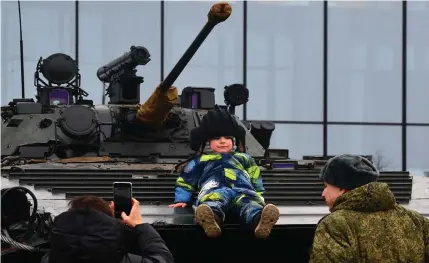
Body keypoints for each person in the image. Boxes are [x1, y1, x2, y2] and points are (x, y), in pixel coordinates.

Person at [169, 108, 279, 239]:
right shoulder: (200, 161)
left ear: (234, 141)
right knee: (213, 203)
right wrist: (182, 199)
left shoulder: (244, 158)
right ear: (207, 142)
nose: (223, 141)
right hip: (215, 189)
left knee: (250, 204)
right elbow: (186, 180)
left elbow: (254, 175)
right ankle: (211, 220)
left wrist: (259, 194)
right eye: (217, 138)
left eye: (227, 138)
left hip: (243, 190)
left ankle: (259, 221)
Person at [309, 154, 429, 263]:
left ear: (341, 187)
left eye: (326, 186)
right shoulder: (417, 221)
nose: (323, 193)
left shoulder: (335, 225)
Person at [42, 195, 174, 263]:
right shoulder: (119, 259)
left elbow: (75, 235)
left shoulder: (49, 259)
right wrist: (140, 225)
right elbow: (162, 260)